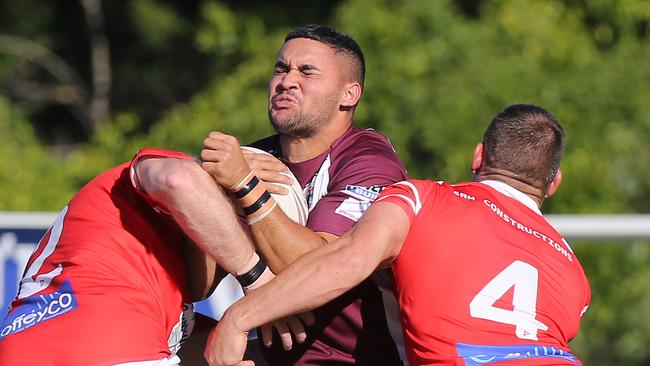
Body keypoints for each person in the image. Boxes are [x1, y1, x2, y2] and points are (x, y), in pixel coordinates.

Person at [204, 104, 592, 366]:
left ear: (478, 157)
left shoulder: (421, 198)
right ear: (553, 183)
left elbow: (347, 261)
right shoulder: (574, 269)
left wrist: (238, 318)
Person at [201, 24, 408, 365]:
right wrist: (205, 182)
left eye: (307, 71)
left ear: (349, 95)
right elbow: (200, 284)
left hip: (357, 358)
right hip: (271, 354)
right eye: (280, 69)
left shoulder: (369, 161)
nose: (287, 81)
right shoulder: (253, 158)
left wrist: (245, 186)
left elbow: (318, 266)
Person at [0, 148, 305, 365]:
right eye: (241, 238)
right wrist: (257, 276)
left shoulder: (142, 268)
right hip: (109, 342)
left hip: (17, 347)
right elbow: (179, 181)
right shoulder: (158, 174)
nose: (228, 254)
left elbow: (209, 349)